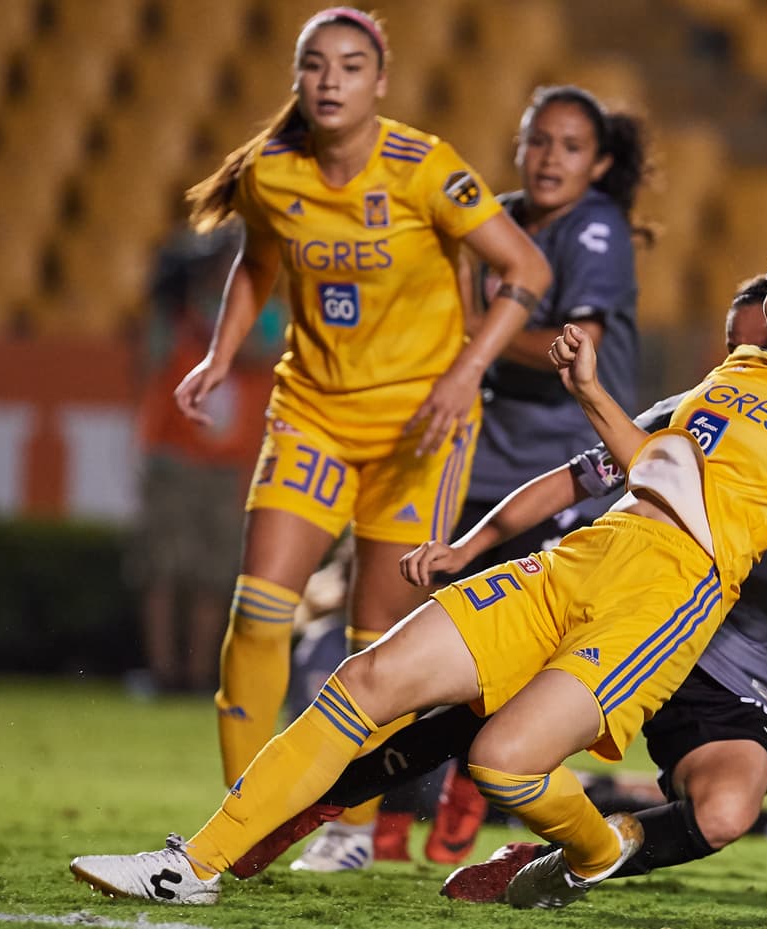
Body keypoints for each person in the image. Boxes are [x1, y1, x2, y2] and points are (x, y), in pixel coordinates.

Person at [69, 124, 767, 909]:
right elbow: (648, 465)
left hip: (665, 599)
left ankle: (597, 849)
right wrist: (585, 389)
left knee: (500, 760)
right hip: (588, 555)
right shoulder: (736, 373)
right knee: (371, 675)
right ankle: (191, 863)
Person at [220, 276, 767, 891]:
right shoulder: (691, 419)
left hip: (727, 675)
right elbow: (567, 483)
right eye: (747, 340)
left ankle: (569, 856)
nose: (761, 351)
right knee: (474, 714)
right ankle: (311, 808)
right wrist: (471, 544)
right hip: (635, 615)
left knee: (728, 809)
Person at [173, 5, 551, 856]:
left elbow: (526, 267)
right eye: (315, 66)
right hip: (311, 411)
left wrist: (464, 374)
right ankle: (248, 819)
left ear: (379, 83)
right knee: (262, 611)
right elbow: (257, 263)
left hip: (421, 427)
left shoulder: (425, 168)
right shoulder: (271, 174)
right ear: (298, 80)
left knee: (375, 649)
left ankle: (333, 821)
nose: (331, 80)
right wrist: (219, 356)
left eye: (350, 66)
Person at [330, 82, 647, 870]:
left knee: (501, 661)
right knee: (426, 646)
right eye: (539, 141)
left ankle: (457, 812)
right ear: (518, 145)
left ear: (598, 163)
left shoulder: (596, 226)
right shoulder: (497, 218)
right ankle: (390, 820)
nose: (550, 160)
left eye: (570, 148)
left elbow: (576, 348)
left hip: (563, 467)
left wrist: (478, 330)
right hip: (475, 462)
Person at [125, 226, 250, 695]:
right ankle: (162, 671)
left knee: (213, 573)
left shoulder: (259, 314)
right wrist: (179, 307)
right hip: (172, 456)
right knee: (162, 568)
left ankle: (197, 675)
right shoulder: (169, 317)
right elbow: (147, 363)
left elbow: (262, 349)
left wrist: (209, 320)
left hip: (223, 462)